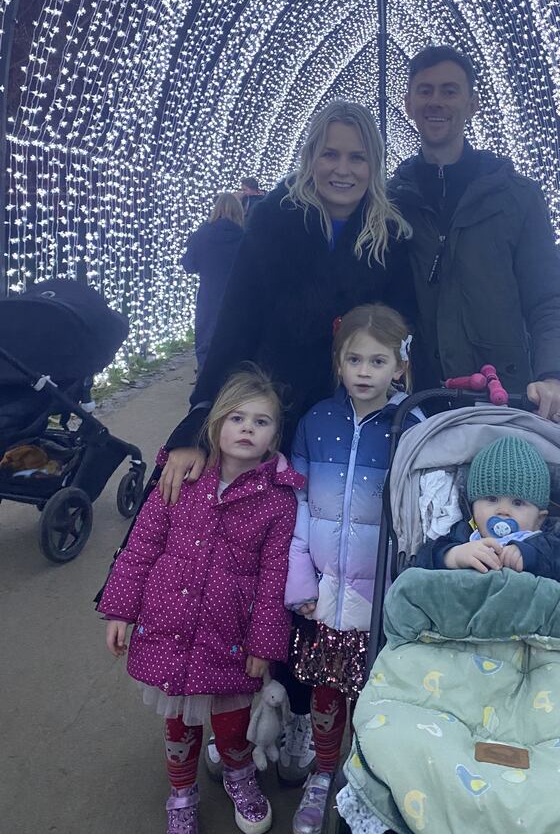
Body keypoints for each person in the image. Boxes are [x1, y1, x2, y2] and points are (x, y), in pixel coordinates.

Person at [160, 101, 414, 786]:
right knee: (254, 565)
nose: (342, 168)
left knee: (325, 567)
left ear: (374, 165)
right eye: (330, 154)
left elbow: (400, 333)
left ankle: (305, 711)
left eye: (357, 157)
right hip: (273, 415)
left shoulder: (388, 233)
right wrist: (197, 421)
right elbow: (237, 319)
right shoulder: (275, 219)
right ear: (309, 158)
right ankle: (241, 709)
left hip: (343, 429)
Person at [97, 366, 303, 834]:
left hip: (228, 633)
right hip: (167, 623)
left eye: (261, 421)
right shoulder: (183, 477)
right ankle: (182, 793)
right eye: (236, 417)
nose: (247, 428)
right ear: (214, 425)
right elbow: (142, 547)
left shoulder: (278, 500)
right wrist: (120, 610)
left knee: (232, 723)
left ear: (274, 437)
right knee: (178, 723)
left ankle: (240, 776)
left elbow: (275, 577)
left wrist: (263, 644)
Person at [283, 304, 422, 834]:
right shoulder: (316, 423)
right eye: (354, 359)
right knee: (325, 690)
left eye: (378, 360)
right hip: (323, 595)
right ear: (338, 363)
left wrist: (404, 595)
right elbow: (296, 510)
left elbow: (420, 521)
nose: (365, 372)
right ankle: (322, 774)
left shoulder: (414, 426)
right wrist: (299, 585)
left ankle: (365, 783)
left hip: (383, 600)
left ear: (400, 366)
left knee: (375, 694)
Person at [389, 45, 560, 423]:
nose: (436, 102)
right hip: (420, 403)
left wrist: (555, 376)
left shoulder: (516, 198)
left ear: (472, 103)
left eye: (449, 90)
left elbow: (548, 299)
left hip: (506, 399)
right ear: (409, 103)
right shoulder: (391, 202)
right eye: (425, 91)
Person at [415, 435, 560, 591]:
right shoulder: (465, 535)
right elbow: (421, 560)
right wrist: (452, 556)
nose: (503, 510)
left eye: (518, 503)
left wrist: (535, 556)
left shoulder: (550, 541)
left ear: (539, 519)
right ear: (472, 507)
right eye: (491, 499)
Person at [181, 192, 244, 370]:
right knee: (235, 349)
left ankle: (204, 389)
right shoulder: (245, 237)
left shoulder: (201, 235)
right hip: (238, 300)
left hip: (209, 298)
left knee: (206, 346)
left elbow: (189, 266)